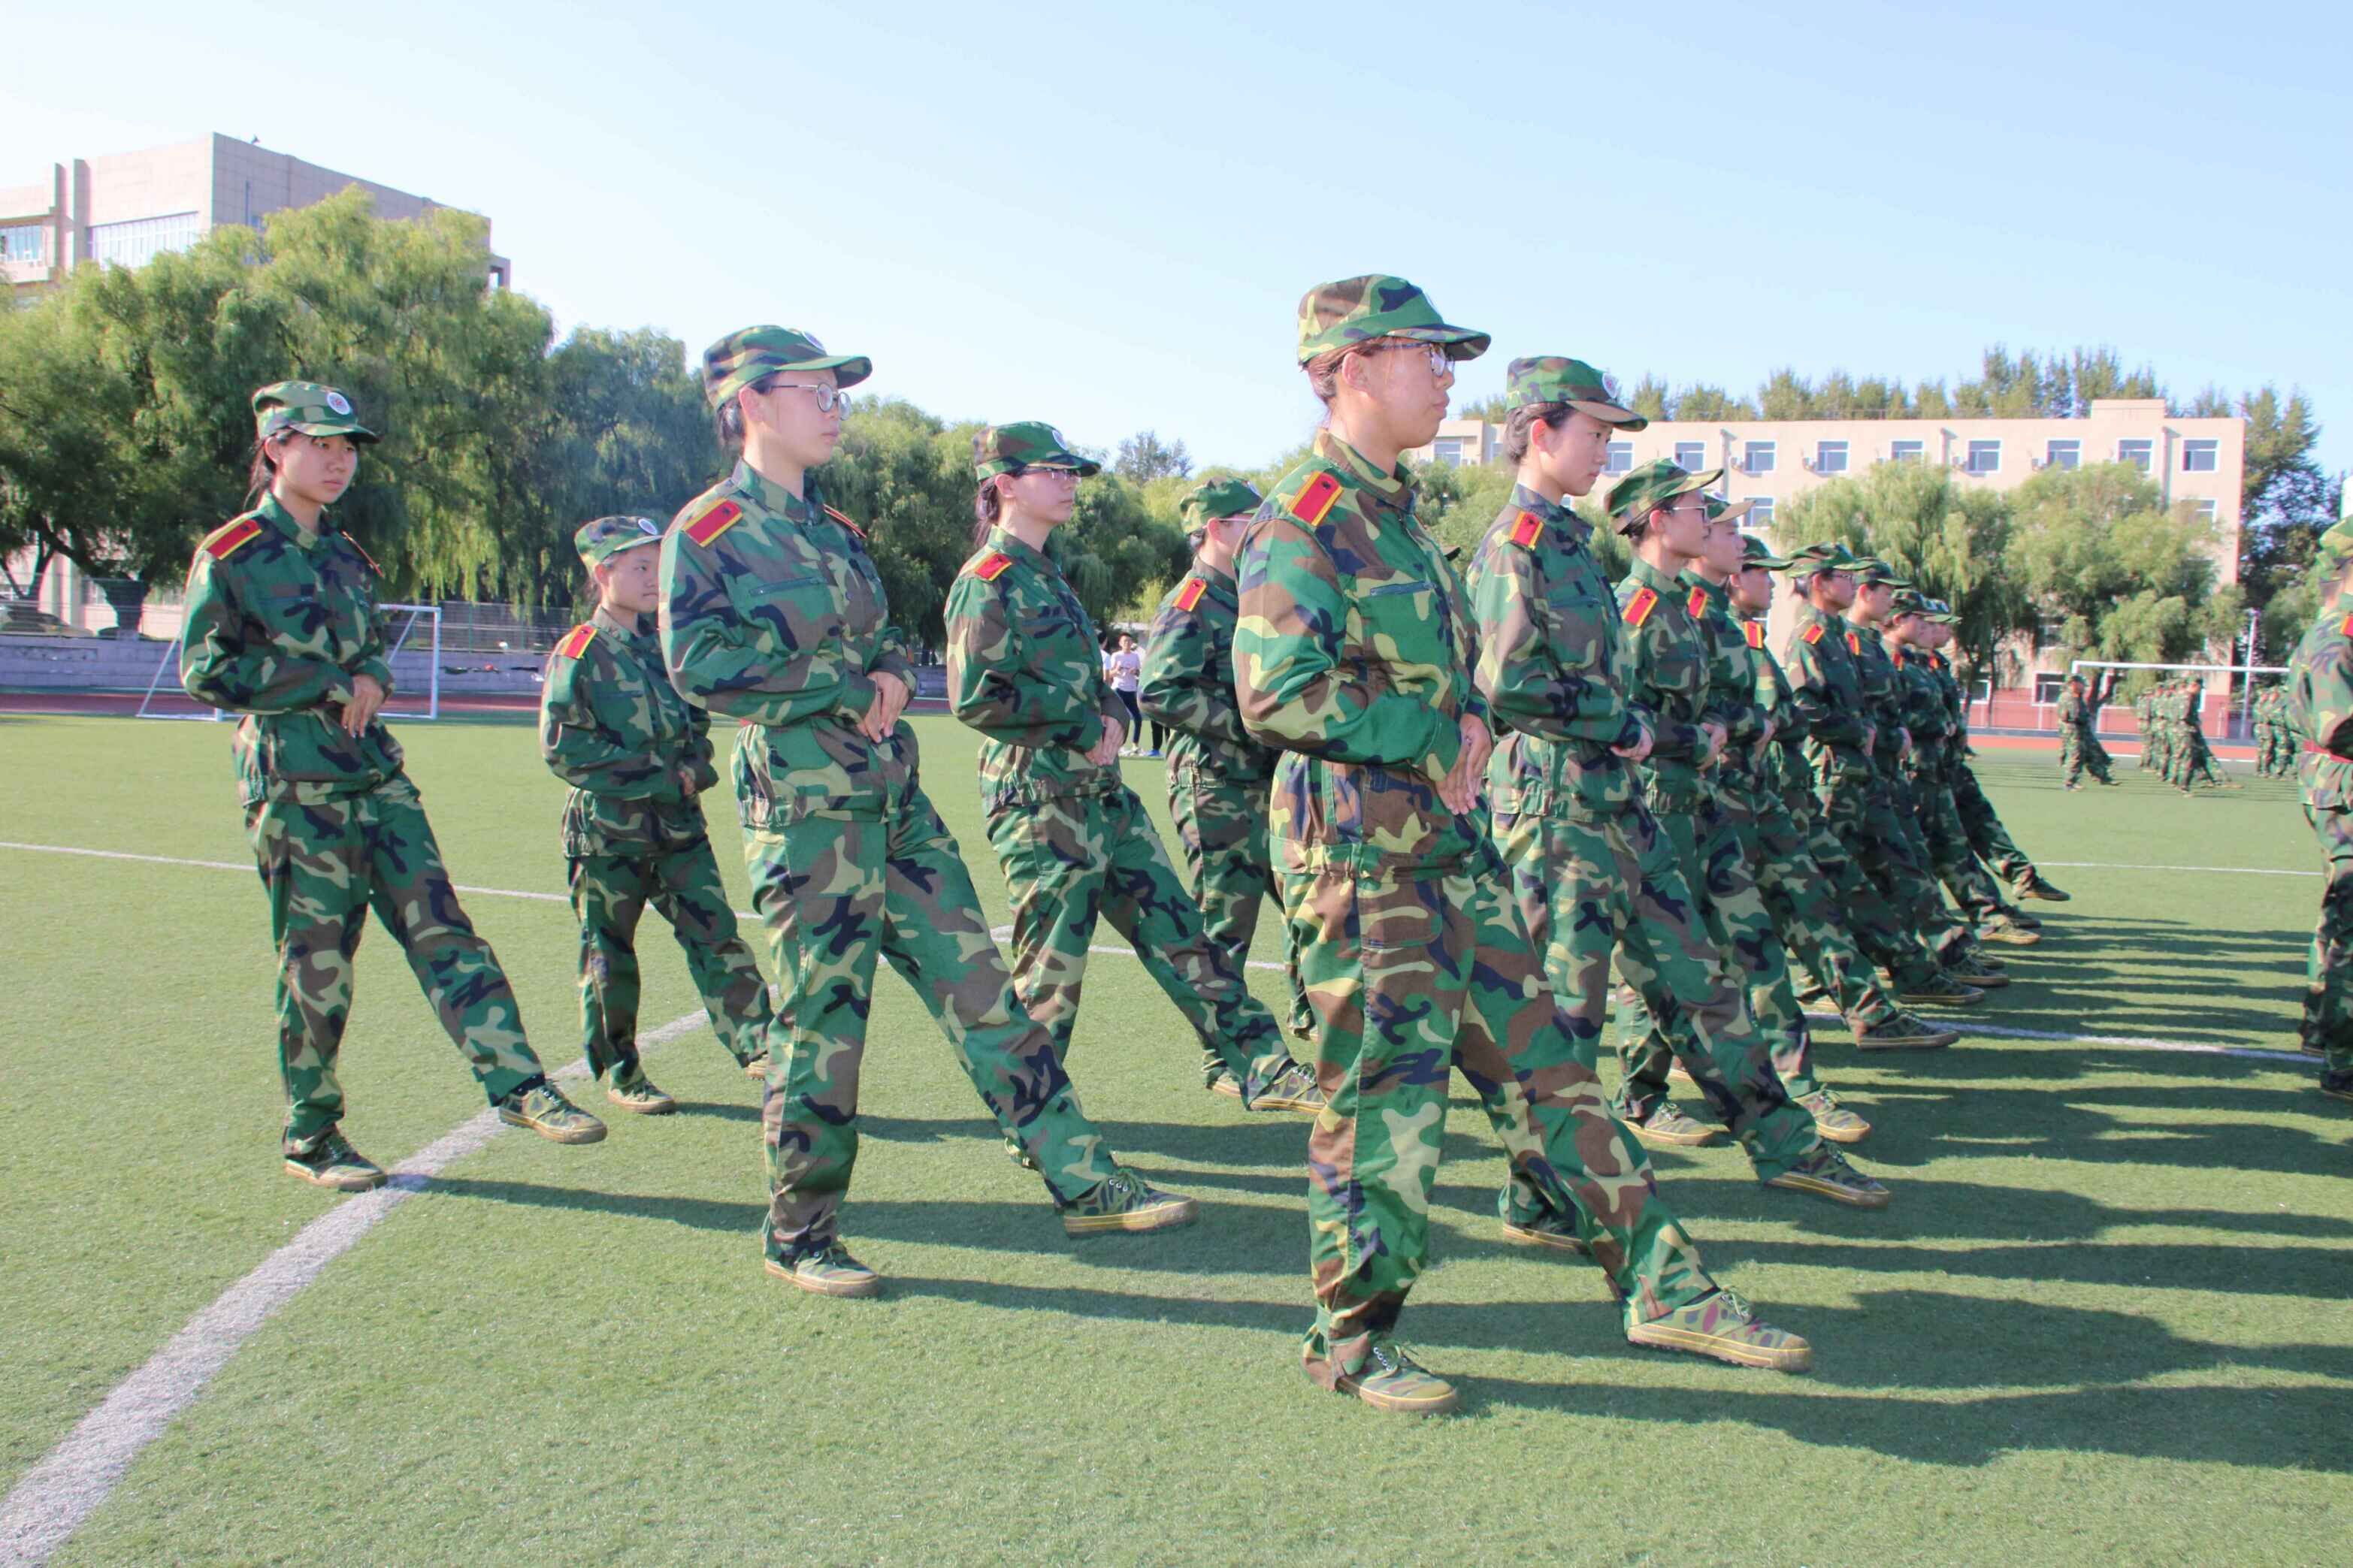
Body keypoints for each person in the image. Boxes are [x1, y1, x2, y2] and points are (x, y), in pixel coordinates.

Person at [1238, 279, 1810, 1416]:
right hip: (1361, 862)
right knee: (1382, 1107)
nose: (1445, 376)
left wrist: (1462, 722)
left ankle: (1664, 1284)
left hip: (1447, 849)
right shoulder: (1304, 516)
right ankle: (1349, 1338)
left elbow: (1454, 675)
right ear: (1350, 366)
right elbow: (1275, 692)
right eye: (1424, 354)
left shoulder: (1399, 515)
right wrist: (1430, 731)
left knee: (1551, 1068)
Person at [663, 328, 1197, 1298]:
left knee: (984, 992)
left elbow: (890, 645)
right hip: (807, 813)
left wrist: (892, 677)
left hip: (894, 800)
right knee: (821, 1024)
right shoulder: (708, 532)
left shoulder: (838, 532)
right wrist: (843, 685)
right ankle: (801, 1230)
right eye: (815, 391)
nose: (834, 408)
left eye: (837, 392)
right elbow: (698, 666)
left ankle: (1083, 1178)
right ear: (750, 403)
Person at [182, 381, 604, 1190]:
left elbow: (369, 645)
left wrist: (372, 672)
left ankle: (520, 1084)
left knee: (446, 931)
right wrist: (320, 681)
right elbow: (205, 669)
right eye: (321, 445)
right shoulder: (233, 552)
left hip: (375, 772)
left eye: (347, 448)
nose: (339, 461)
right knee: (318, 963)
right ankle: (312, 1135)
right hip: (295, 785)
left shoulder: (346, 555)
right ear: (274, 447)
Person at [944, 421, 1323, 1118]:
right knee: (1051, 977)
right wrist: (1085, 722)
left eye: (1072, 473)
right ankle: (1036, 1119)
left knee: (1186, 940)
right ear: (1003, 486)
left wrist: (1107, 711)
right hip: (1040, 802)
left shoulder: (1047, 574)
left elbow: (1085, 680)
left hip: (1101, 796)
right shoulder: (987, 580)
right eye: (1053, 472)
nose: (1069, 484)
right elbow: (976, 696)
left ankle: (1262, 1065)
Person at [1595, 462, 1892, 1183]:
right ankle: (1639, 1094)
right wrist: (1695, 737)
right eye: (1706, 515)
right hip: (1656, 810)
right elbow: (1616, 714)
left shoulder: (1690, 612)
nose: (1717, 528)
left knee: (1753, 945)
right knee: (1661, 969)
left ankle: (1795, 1085)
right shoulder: (1634, 609)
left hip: (1709, 804)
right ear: (1658, 521)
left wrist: (1730, 726)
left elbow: (1726, 703)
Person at [540, 515, 775, 1113]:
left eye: (658, 565)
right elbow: (564, 747)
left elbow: (696, 720)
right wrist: (658, 776)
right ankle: (622, 1072)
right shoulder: (579, 653)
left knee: (716, 935)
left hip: (677, 827)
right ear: (603, 573)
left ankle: (762, 1047)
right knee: (609, 957)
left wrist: (694, 767)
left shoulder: (668, 646)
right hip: (607, 835)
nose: (654, 578)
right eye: (640, 566)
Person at [1725, 539, 1959, 1053]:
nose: (1770, 583)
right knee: (1742, 922)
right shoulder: (1797, 636)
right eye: (1759, 572)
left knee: (1827, 895)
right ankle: (1703, 1046)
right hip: (1760, 793)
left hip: (1783, 793)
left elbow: (1786, 714)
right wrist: (1849, 730)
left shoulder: (1778, 634)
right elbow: (1793, 711)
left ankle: (1879, 1001)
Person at [1139, 477, 1314, 1066]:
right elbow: (1159, 692)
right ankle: (1225, 1056)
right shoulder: (1190, 601)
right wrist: (1247, 725)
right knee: (1225, 928)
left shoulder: (1250, 594)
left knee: (1307, 904)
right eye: (1251, 520)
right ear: (1216, 529)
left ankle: (1313, 1018)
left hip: (1266, 784)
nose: (1264, 531)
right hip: (1215, 787)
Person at [2288, 520, 2353, 1107]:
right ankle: (2343, 1058)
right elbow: (2339, 724)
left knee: (2340, 910)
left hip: (2336, 784)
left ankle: (2319, 1024)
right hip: (2345, 784)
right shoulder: (2339, 632)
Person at [1105, 632, 1146, 756]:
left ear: (1132, 643)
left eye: (1129, 641)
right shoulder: (1116, 656)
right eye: (1125, 641)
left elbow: (1139, 673)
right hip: (1118, 689)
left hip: (1131, 690)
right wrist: (1116, 671)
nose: (1127, 643)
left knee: (1138, 718)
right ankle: (1118, 747)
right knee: (1120, 718)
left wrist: (1135, 671)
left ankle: (1135, 745)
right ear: (1120, 643)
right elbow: (1109, 674)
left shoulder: (1135, 656)